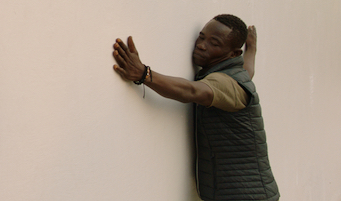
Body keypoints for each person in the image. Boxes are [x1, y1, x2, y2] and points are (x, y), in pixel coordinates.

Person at [112, 14, 279, 201]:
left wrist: (144, 74)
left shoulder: (230, 84)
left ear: (233, 54)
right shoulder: (239, 73)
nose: (201, 45)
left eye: (214, 43)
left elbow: (192, 91)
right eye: (201, 37)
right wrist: (252, 49)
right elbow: (249, 70)